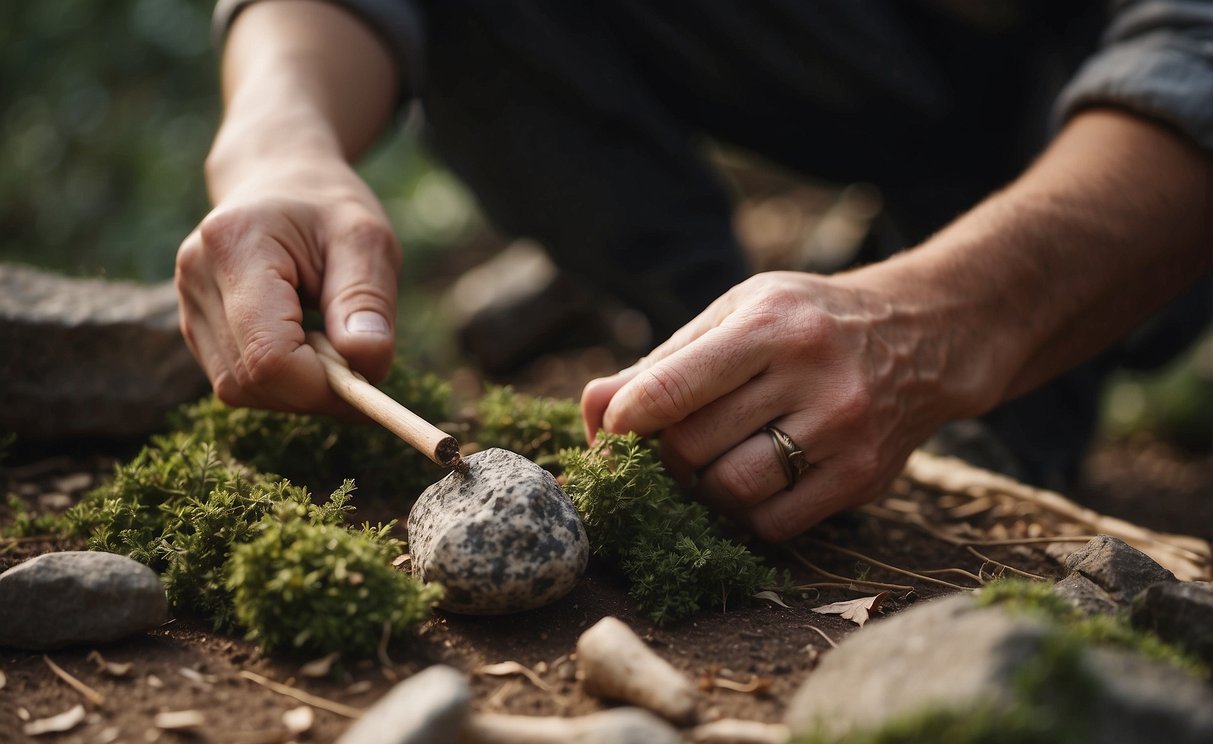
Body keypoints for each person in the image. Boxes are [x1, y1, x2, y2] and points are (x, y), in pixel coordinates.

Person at [177, 0, 1213, 541]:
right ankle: (702, 335)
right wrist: (278, 140)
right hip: (872, 55)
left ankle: (1022, 331)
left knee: (987, 418)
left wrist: (937, 321)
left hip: (1119, 108)